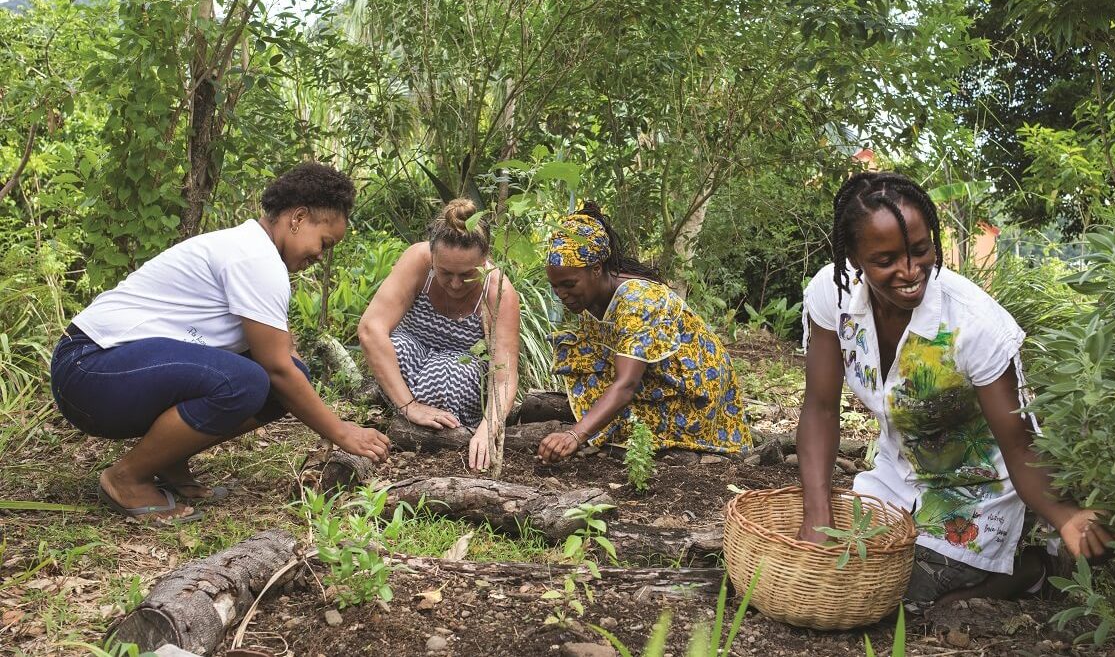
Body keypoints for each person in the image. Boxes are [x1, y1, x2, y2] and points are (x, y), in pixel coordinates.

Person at [796, 171, 1113, 605]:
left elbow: (1020, 446)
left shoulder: (973, 324)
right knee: (840, 570)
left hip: (978, 494)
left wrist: (1065, 516)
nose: (910, 271)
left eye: (920, 251)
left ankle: (1029, 567)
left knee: (893, 596)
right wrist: (817, 517)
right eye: (886, 260)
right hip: (896, 477)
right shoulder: (831, 297)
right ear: (853, 258)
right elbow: (820, 408)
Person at [50, 162, 390, 526]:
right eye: (324, 242)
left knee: (283, 380)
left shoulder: (253, 251)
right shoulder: (255, 258)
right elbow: (276, 368)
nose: (321, 256)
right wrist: (341, 431)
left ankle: (164, 459)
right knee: (251, 380)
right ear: (298, 217)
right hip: (89, 368)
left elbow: (284, 357)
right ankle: (126, 478)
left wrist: (290, 362)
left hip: (108, 370)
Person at [537, 203, 751, 463]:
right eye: (555, 287)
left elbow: (627, 384)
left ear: (596, 269)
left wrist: (575, 434)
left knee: (622, 427)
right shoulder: (589, 300)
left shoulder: (638, 301)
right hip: (657, 377)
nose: (561, 295)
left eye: (569, 285)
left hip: (697, 393)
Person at [358, 199, 520, 471]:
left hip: (461, 374)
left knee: (451, 369)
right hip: (411, 364)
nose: (455, 284)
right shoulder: (417, 260)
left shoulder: (497, 290)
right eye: (445, 273)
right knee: (396, 346)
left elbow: (504, 373)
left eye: (467, 275)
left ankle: (434, 435)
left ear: (485, 259)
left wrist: (487, 429)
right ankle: (403, 413)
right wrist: (409, 405)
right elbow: (370, 328)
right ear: (432, 256)